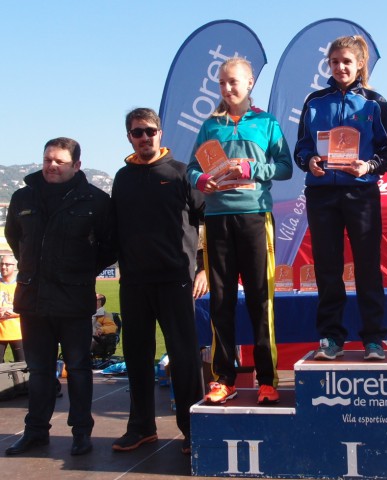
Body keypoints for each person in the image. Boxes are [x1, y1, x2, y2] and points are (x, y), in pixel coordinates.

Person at [187, 57, 292, 405]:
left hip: (254, 218)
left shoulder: (266, 122)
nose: (227, 88)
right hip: (217, 219)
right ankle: (223, 379)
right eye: (222, 83)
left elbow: (284, 167)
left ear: (249, 84)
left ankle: (267, 379)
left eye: (234, 82)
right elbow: (191, 169)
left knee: (261, 300)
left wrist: (251, 166)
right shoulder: (210, 126)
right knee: (221, 302)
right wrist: (202, 179)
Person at [4, 137, 115, 456]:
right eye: (47, 159)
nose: (52, 165)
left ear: (76, 165)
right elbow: (15, 237)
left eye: (59, 161)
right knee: (38, 371)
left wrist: (82, 270)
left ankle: (81, 433)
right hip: (33, 299)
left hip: (73, 298)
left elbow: (109, 245)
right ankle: (35, 431)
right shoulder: (23, 196)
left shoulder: (95, 200)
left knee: (79, 368)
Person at [294, 35, 387, 361]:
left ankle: (373, 339)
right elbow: (301, 147)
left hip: (360, 191)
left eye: (347, 62)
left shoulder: (374, 103)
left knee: (368, 267)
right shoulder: (315, 101)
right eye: (335, 62)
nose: (340, 67)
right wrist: (309, 161)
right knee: (328, 268)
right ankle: (331, 336)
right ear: (329, 64)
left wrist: (368, 166)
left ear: (359, 65)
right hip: (322, 193)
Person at [112, 108, 206, 455]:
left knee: (184, 357)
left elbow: (208, 218)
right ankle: (141, 428)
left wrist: (204, 267)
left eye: (150, 131)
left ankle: (192, 429)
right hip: (134, 283)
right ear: (129, 137)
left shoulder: (182, 173)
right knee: (137, 357)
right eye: (137, 132)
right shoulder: (122, 178)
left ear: (160, 133)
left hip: (176, 280)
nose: (144, 137)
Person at [0, 254, 24, 362]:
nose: (3, 267)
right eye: (1, 264)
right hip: (1, 333)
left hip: (18, 332)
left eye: (7, 264)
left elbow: (27, 307)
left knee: (22, 365)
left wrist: (14, 312)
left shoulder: (20, 285)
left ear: (14, 266)